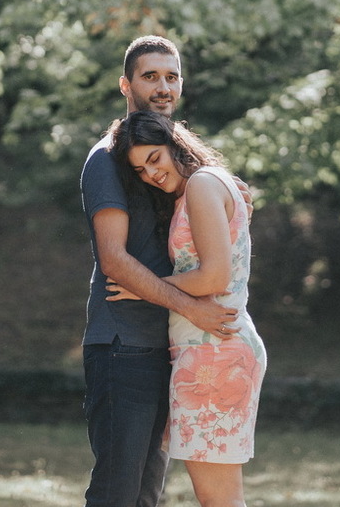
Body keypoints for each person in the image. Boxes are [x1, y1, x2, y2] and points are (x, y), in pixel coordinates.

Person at [80, 35, 240, 507]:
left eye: (172, 77)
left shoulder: (173, 162)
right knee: (117, 492)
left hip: (167, 347)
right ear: (125, 85)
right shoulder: (108, 158)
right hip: (121, 344)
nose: (163, 87)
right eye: (150, 76)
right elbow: (114, 259)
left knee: (146, 494)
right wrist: (192, 307)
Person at [107, 110, 267, 507]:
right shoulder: (198, 189)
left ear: (176, 145)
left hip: (215, 352)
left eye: (155, 159)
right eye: (141, 170)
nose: (151, 174)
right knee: (220, 498)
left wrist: (142, 287)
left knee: (220, 500)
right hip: (208, 349)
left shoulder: (202, 184)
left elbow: (213, 277)